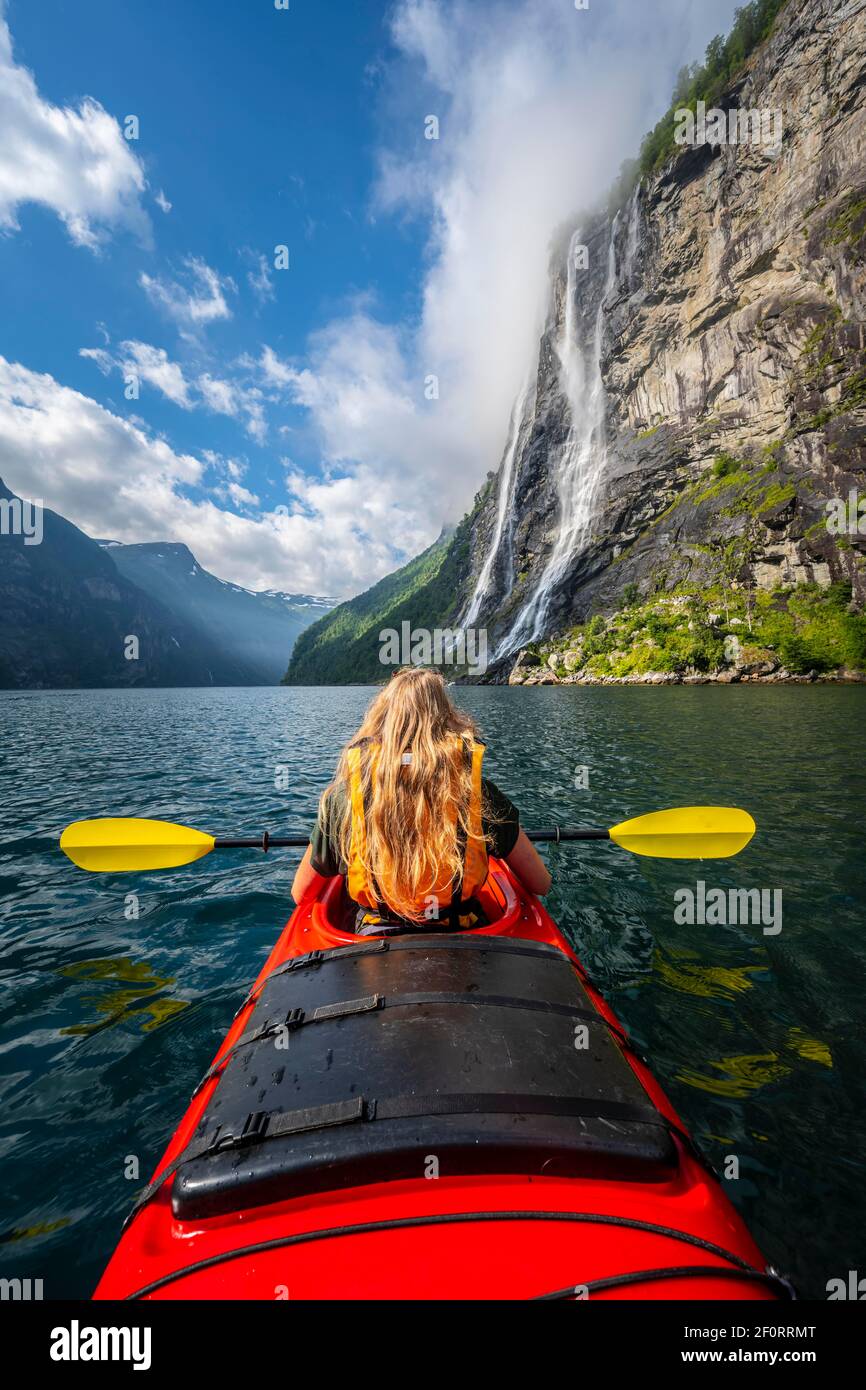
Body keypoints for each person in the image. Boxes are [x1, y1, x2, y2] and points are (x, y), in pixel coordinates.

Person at [291, 667, 551, 931]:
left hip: (374, 936)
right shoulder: (479, 793)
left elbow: (301, 895)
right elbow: (540, 883)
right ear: (448, 719)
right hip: (463, 933)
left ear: (381, 720)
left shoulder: (345, 797)